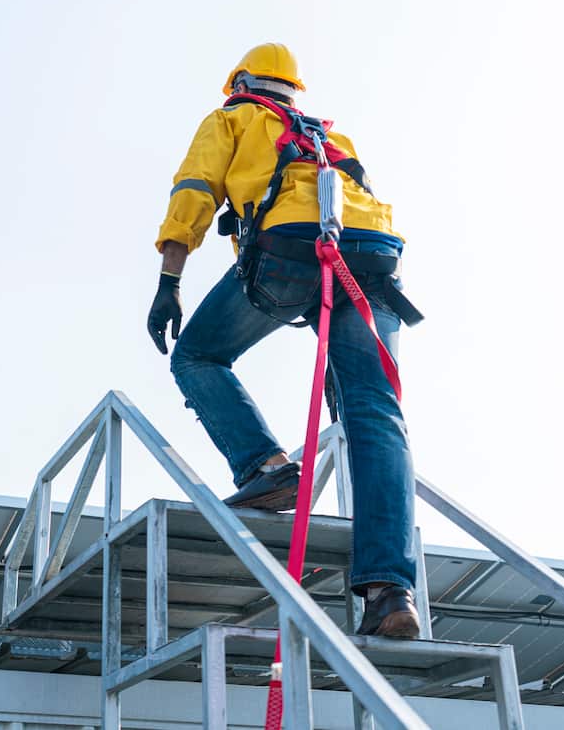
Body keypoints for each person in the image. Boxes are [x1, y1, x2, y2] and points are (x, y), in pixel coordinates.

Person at [146, 43, 423, 638]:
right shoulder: (331, 139)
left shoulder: (232, 118)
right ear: (293, 91)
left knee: (198, 355)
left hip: (291, 251)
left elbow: (193, 191)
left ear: (242, 83)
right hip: (373, 261)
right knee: (376, 416)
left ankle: (267, 466)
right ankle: (390, 592)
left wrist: (170, 281)